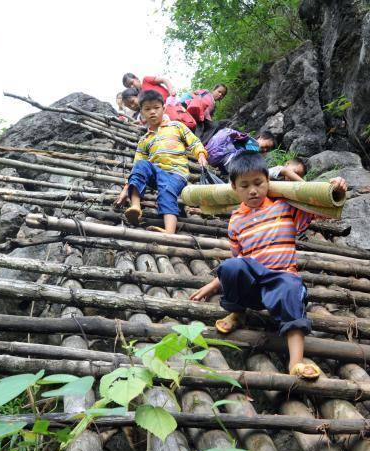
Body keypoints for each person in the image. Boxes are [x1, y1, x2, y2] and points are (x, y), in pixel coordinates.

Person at [189, 152, 347, 380]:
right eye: (244, 185)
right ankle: (237, 313)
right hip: (254, 289)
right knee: (232, 266)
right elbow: (240, 261)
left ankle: (296, 362)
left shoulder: (285, 207)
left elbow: (322, 210)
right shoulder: (236, 221)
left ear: (268, 182)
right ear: (234, 188)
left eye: (258, 183)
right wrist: (213, 285)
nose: (252, 190)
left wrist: (335, 189)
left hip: (282, 282)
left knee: (290, 286)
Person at [114, 90, 208, 233]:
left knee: (166, 190)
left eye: (156, 108)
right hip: (156, 174)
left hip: (176, 173)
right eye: (147, 109)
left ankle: (169, 231)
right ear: (142, 113)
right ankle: (135, 206)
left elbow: (194, 142)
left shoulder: (176, 126)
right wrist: (125, 190)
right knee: (141, 164)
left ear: (163, 108)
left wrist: (201, 154)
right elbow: (137, 169)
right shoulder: (144, 140)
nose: (152, 112)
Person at [205, 128, 276, 173]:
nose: (265, 149)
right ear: (261, 137)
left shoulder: (245, 140)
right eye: (266, 146)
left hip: (212, 156)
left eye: (268, 149)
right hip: (230, 162)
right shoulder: (254, 144)